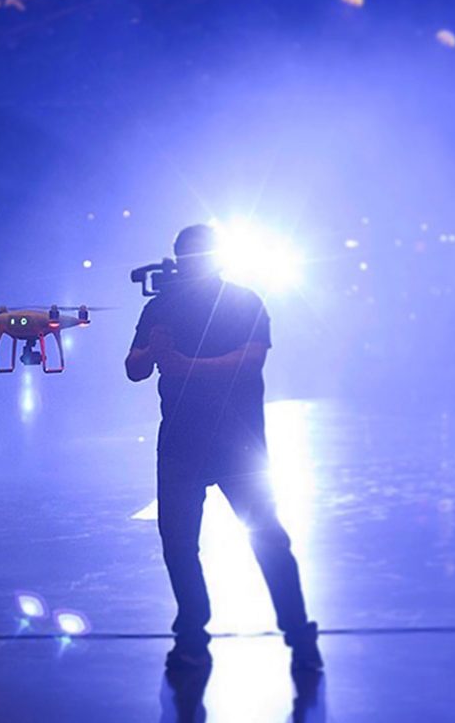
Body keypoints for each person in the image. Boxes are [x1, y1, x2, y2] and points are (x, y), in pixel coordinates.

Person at [125, 223, 322, 674]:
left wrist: (181, 364)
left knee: (266, 538)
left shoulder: (242, 300)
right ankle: (195, 633)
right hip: (187, 442)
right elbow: (133, 367)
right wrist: (150, 353)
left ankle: (295, 635)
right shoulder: (162, 307)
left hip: (234, 444)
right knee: (180, 544)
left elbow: (250, 359)